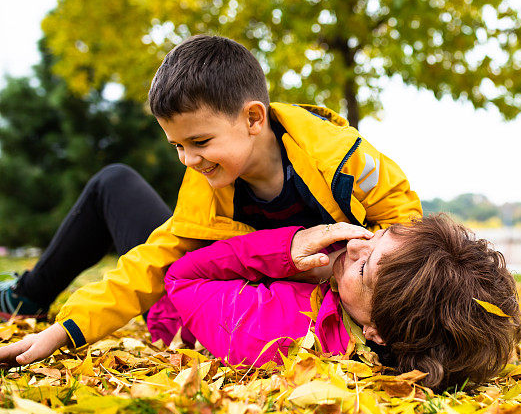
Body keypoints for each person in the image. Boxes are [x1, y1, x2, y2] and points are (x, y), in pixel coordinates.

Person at [0, 34, 421, 366]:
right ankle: (28, 296)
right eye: (177, 146)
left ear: (254, 118)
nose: (188, 159)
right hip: (206, 276)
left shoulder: (343, 162)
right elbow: (153, 261)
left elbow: (408, 236)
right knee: (114, 183)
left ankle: (27, 293)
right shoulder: (206, 186)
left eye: (199, 141)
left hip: (253, 304)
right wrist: (65, 332)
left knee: (113, 181)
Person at [161, 215, 521, 392]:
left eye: (363, 267)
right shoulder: (358, 303)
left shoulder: (280, 334)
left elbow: (181, 277)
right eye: (377, 234)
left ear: (377, 333)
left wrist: (288, 247)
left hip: (166, 310)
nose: (352, 245)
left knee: (115, 184)